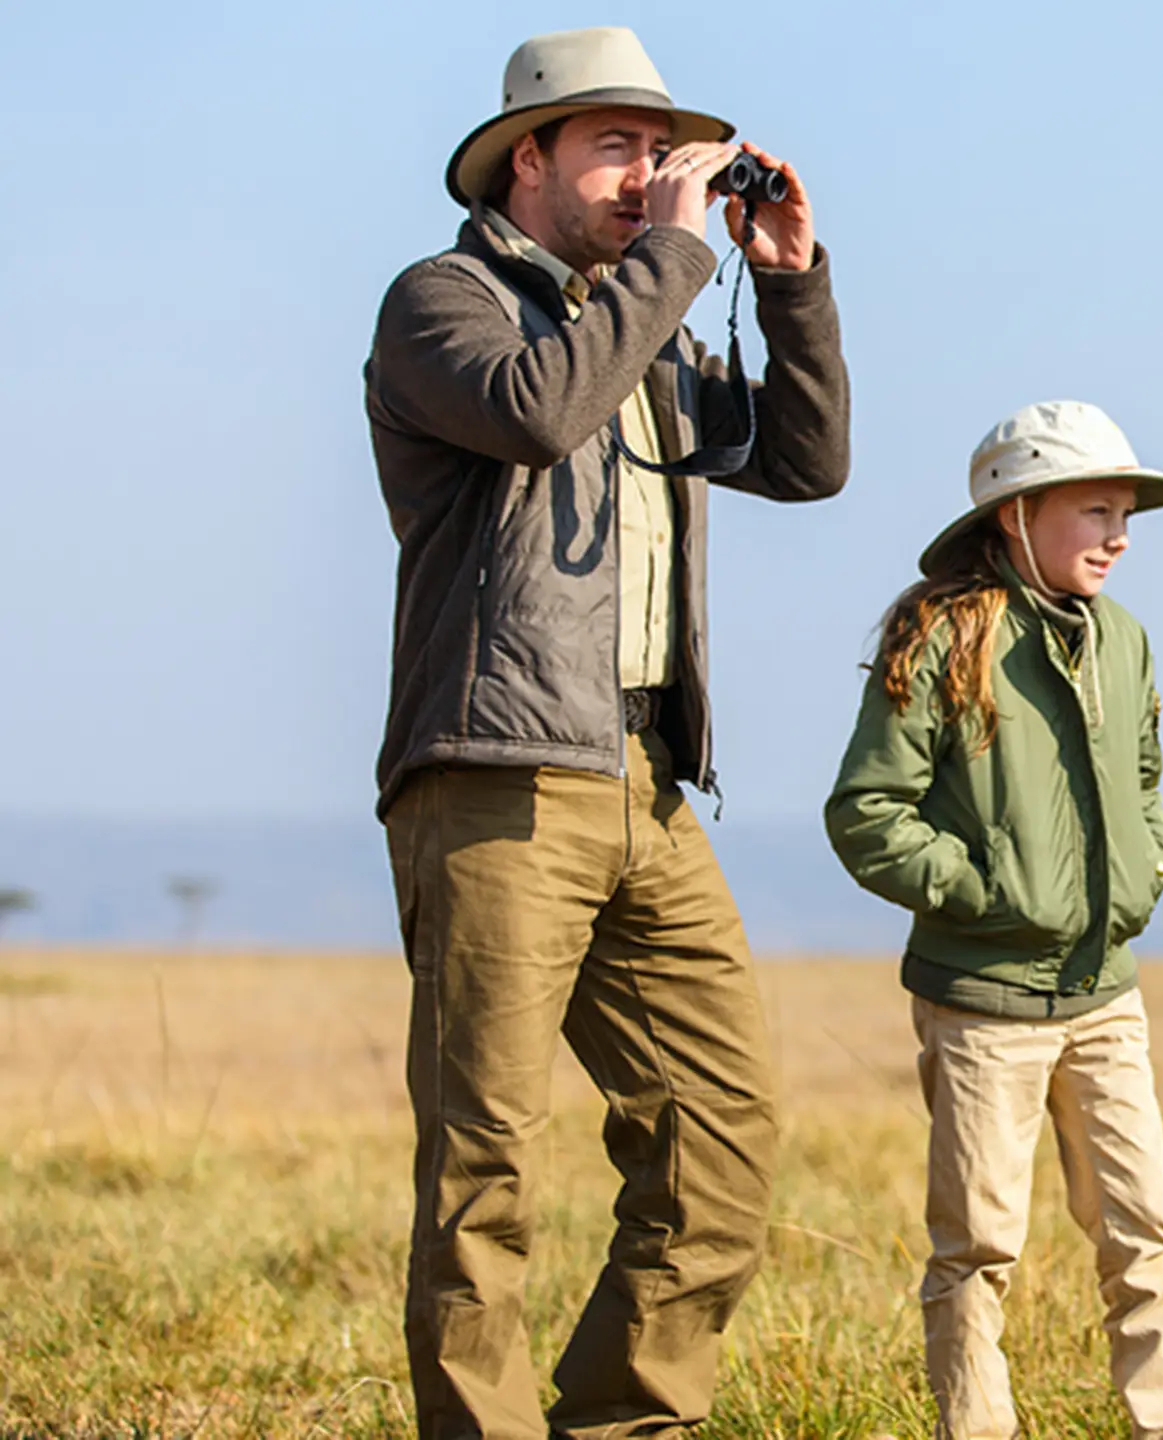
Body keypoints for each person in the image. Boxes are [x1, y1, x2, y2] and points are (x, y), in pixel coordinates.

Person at [363, 26, 851, 1440]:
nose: (651, 177)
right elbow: (535, 411)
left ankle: (627, 1420)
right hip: (496, 779)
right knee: (488, 1163)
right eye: (619, 149)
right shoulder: (443, 303)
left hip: (647, 781)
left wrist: (787, 280)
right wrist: (677, 259)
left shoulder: (649, 323)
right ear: (532, 160)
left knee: (723, 1132)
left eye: (663, 150)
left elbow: (808, 463)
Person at [824, 401, 1163, 1440]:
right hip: (982, 1006)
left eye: (1126, 513)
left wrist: (1149, 866)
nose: (1119, 535)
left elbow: (1142, 777)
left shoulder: (1124, 640)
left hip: (1106, 992)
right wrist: (992, 892)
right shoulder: (943, 635)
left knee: (1148, 1235)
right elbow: (866, 813)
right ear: (1018, 513)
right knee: (978, 1248)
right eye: (1095, 511)